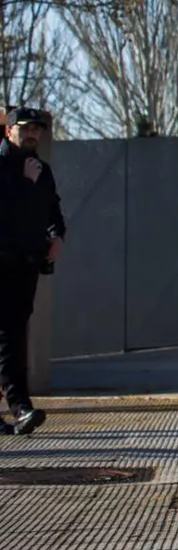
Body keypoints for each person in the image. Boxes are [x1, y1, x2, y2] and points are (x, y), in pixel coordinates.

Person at [0, 106, 63, 437]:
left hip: (27, 264)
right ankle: (20, 406)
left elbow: (52, 208)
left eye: (37, 130)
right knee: (9, 338)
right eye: (25, 129)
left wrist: (57, 235)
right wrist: (25, 183)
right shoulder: (6, 165)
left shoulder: (41, 169)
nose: (32, 135)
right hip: (3, 262)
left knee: (13, 335)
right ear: (10, 131)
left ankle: (16, 408)